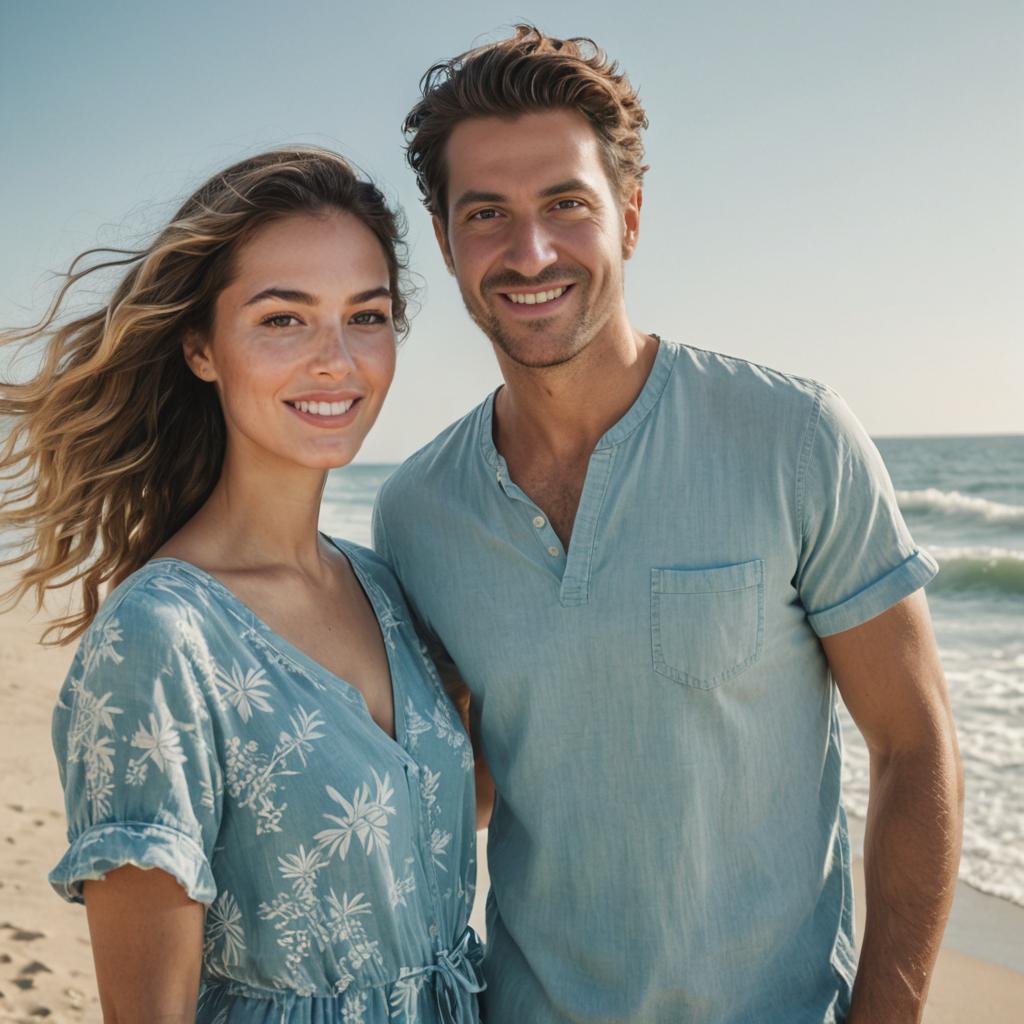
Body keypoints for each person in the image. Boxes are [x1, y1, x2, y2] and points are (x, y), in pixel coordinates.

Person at [372, 26, 964, 1024]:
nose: (530, 252)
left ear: (629, 218)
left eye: (567, 205)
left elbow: (913, 747)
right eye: (487, 215)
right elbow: (461, 788)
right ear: (443, 243)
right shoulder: (417, 512)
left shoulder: (794, 436)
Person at [0, 148, 483, 1023]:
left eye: (365, 315)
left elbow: (439, 811)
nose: (336, 360)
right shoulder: (160, 638)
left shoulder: (382, 585)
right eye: (283, 320)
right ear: (201, 347)